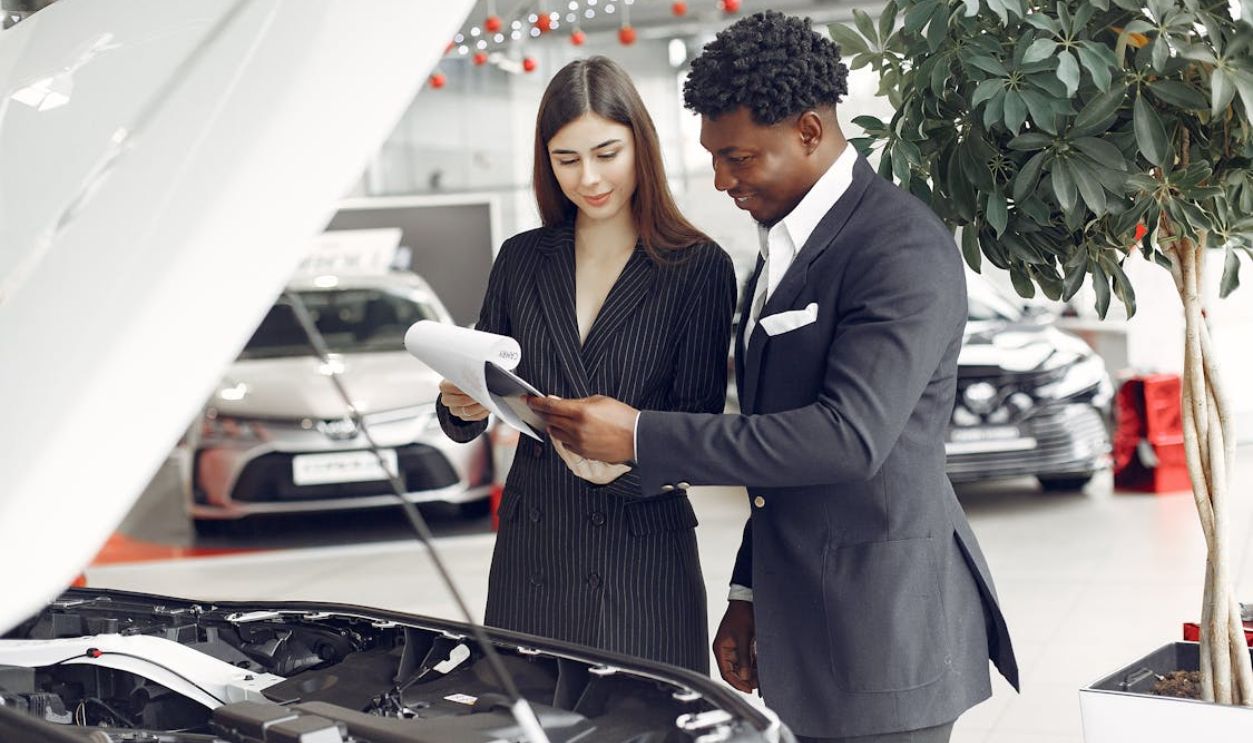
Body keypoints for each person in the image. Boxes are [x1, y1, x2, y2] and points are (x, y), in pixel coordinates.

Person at [527, 12, 1019, 742]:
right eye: (714, 159)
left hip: (881, 634)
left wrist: (639, 435)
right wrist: (748, 589)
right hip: (805, 625)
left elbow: (846, 438)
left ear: (809, 132)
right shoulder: (781, 246)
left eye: (738, 158)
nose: (722, 180)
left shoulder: (897, 244)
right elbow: (774, 452)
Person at [436, 56, 736, 674]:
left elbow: (697, 433)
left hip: (641, 558)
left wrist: (616, 468)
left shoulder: (697, 267)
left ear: (641, 147)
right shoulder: (521, 259)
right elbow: (482, 393)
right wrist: (457, 405)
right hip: (534, 553)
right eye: (566, 160)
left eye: (607, 153)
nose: (589, 178)